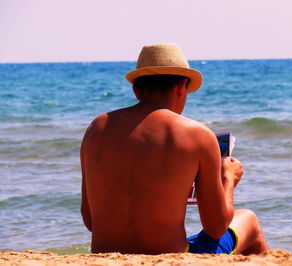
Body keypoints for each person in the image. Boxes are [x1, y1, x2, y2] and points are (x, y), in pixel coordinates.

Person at [80, 43, 269, 255]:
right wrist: (228, 179)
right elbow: (216, 229)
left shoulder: (97, 128)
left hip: (108, 257)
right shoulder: (196, 134)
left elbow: (90, 221)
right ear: (182, 87)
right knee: (248, 219)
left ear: (136, 90)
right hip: (173, 256)